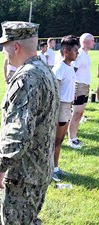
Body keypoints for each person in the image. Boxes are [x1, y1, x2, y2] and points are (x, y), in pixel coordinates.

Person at [0, 21, 60, 225]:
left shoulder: (26, 77)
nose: (3, 51)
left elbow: (18, 132)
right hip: (38, 168)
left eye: (5, 46)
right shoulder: (44, 70)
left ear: (16, 47)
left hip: (22, 174)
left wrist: (1, 166)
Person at [52, 35, 79, 182]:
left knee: (60, 140)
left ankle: (56, 167)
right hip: (61, 106)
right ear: (66, 51)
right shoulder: (60, 68)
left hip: (67, 106)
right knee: (55, 140)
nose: (77, 53)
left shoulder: (70, 67)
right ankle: (50, 170)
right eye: (75, 50)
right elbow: (54, 92)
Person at [68, 33, 95, 149]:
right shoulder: (79, 55)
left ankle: (74, 137)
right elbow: (72, 71)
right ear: (85, 42)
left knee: (80, 113)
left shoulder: (86, 54)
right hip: (78, 86)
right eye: (92, 40)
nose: (94, 42)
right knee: (76, 113)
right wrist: (73, 89)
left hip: (85, 86)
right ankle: (71, 139)